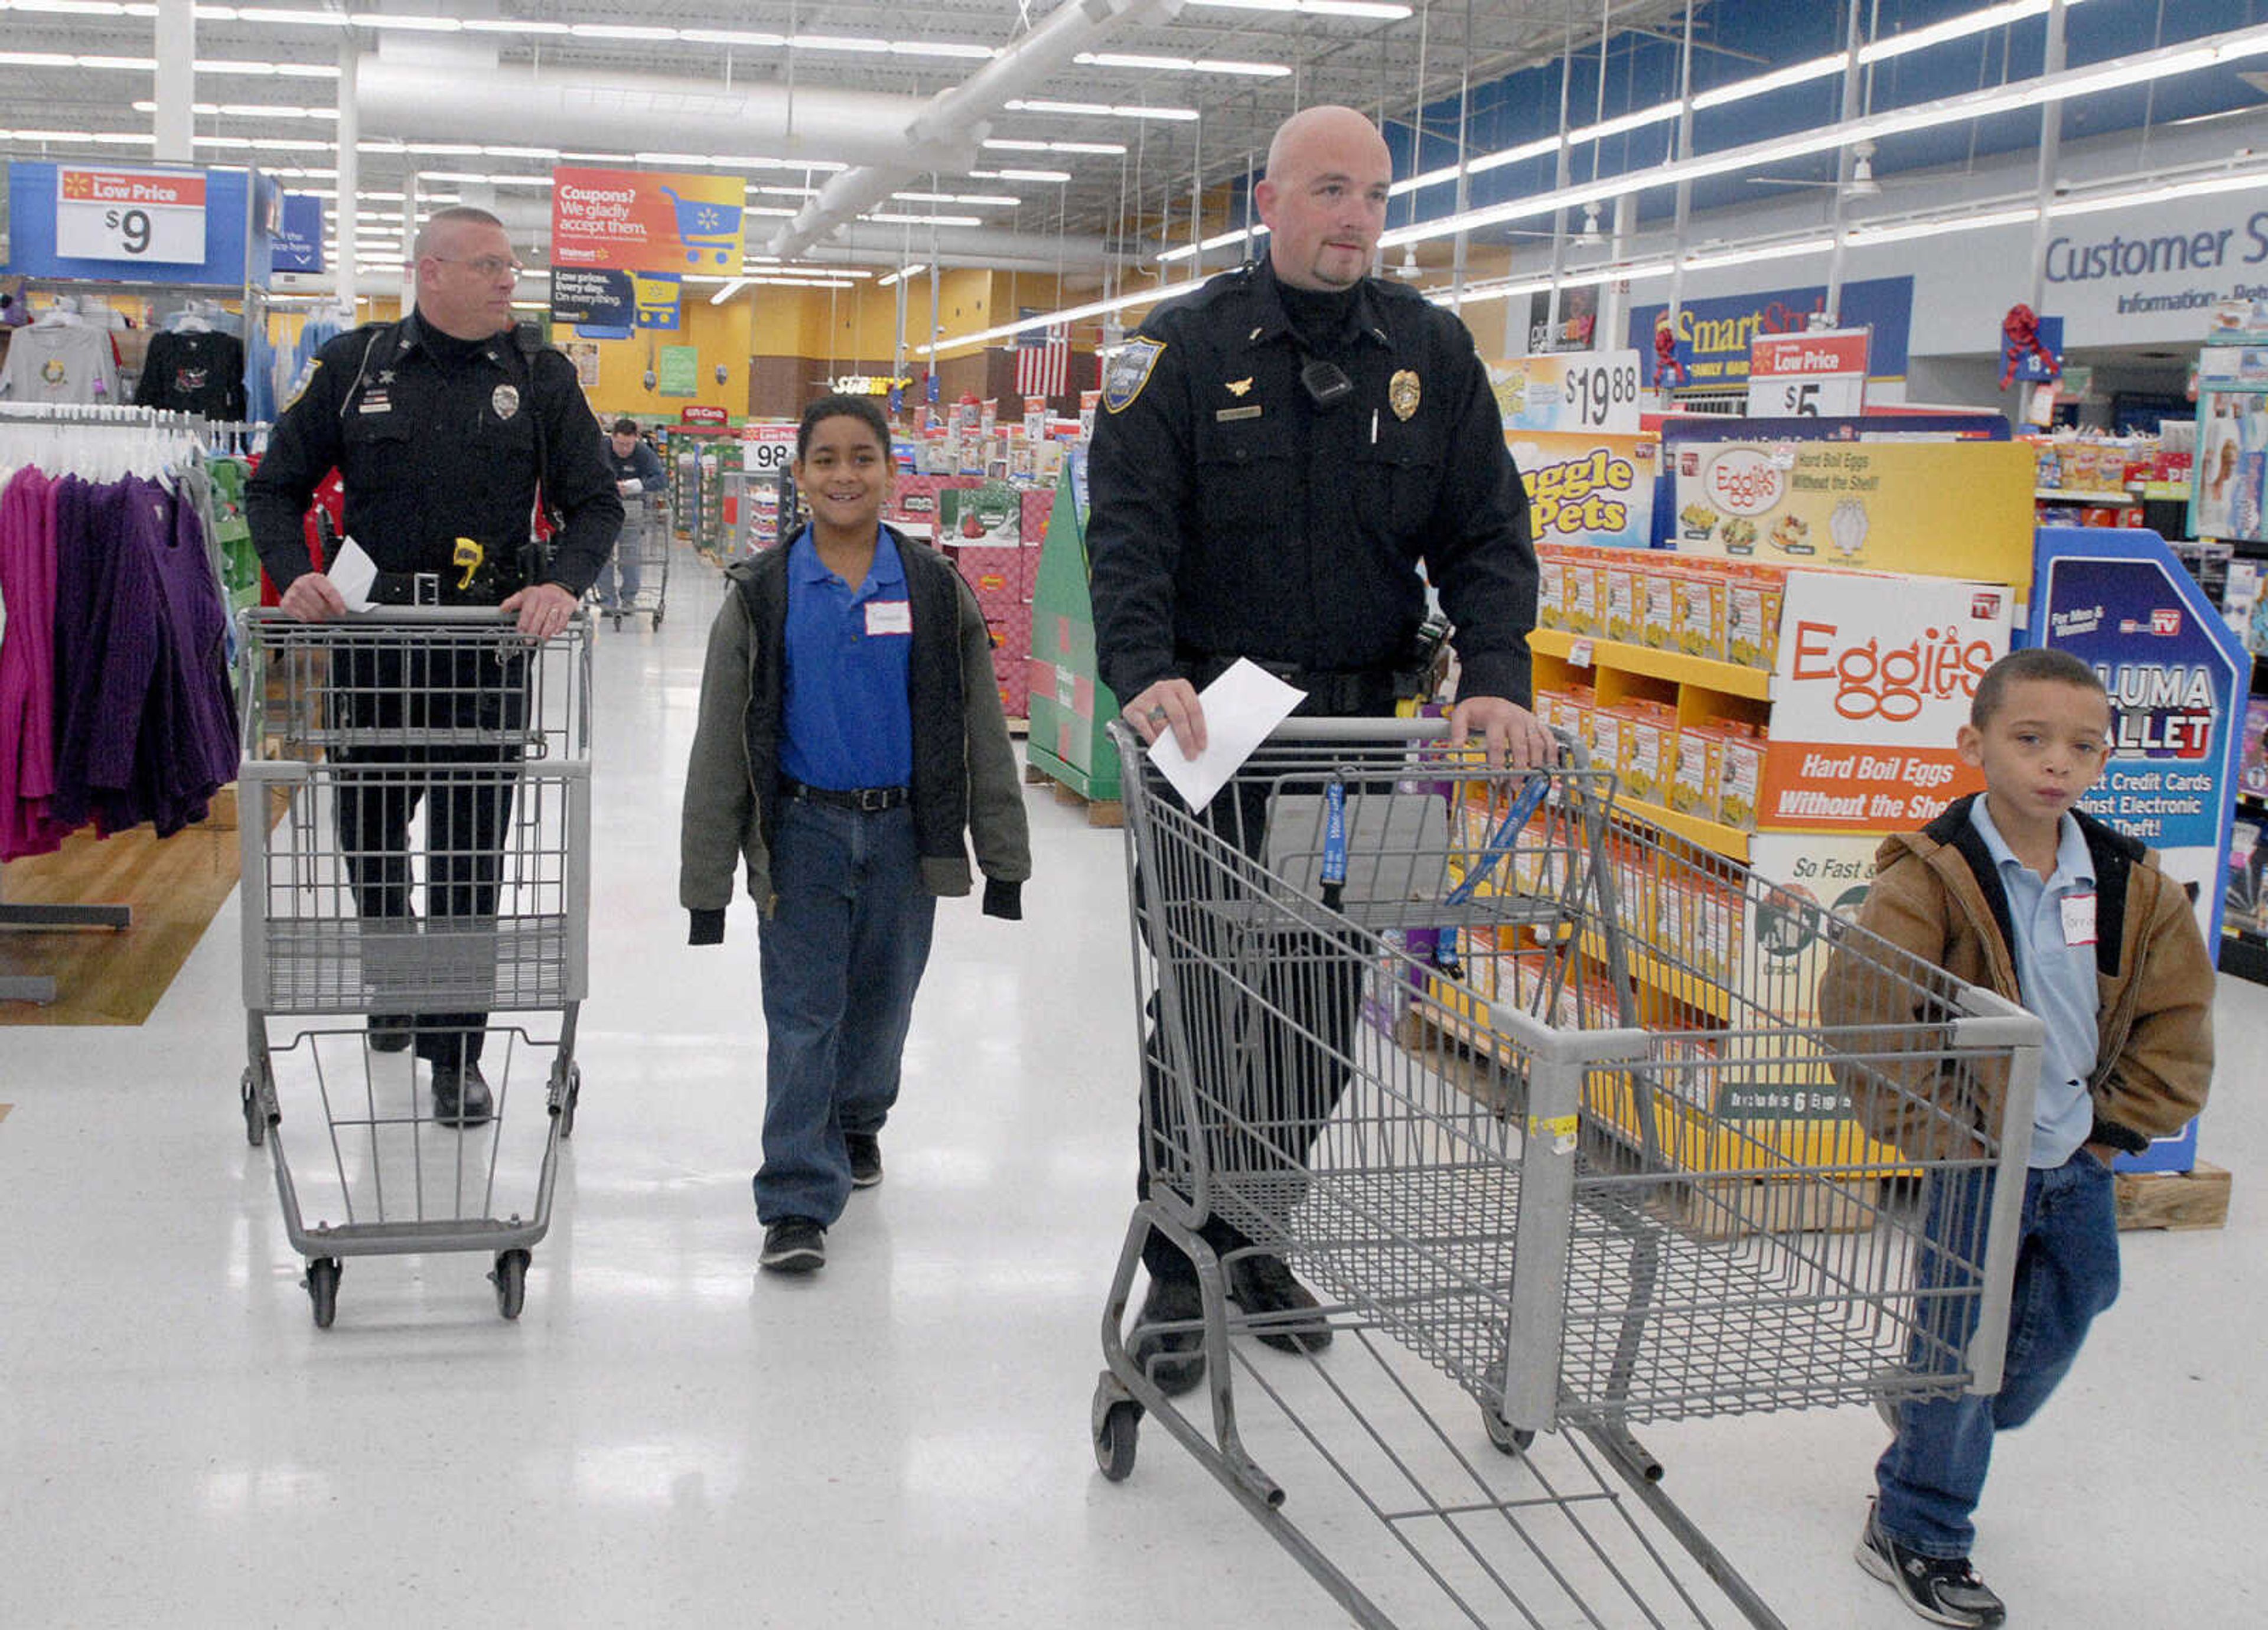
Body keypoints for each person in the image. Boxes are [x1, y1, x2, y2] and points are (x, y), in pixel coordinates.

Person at [1086, 104, 1549, 1396]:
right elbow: (1126, 530)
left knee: (1321, 1001)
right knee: (1205, 996)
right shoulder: (1176, 351)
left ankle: (1258, 1232)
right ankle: (1181, 1266)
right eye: (1332, 190)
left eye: (1377, 198)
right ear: (1269, 199)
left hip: (1357, 734)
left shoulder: (1433, 353)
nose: (1356, 218)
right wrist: (1142, 669)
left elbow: (1487, 535)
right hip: (1212, 729)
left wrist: (1498, 676)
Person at [1817, 647, 2214, 1628]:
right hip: (1974, 1160)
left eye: (2082, 747)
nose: (2056, 764)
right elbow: (1869, 1012)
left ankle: (1927, 1414)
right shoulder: (1931, 878)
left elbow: (2177, 1013)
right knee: (1964, 1348)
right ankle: (1919, 1528)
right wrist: (1940, 1135)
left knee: (2082, 1296)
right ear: (1975, 743)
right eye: (2030, 739)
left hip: (2076, 1148)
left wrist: (2115, 1138)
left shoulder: (2130, 883)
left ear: (2105, 760)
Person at [247, 205, 623, 1129]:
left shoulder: (539, 377)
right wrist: (295, 576)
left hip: (487, 646)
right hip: (375, 641)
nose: (509, 281)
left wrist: (563, 586)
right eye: (491, 265)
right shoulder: (355, 367)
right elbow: (274, 485)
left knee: (471, 853)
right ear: (432, 272)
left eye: (512, 266)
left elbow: (596, 505)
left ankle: (458, 1055)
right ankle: (392, 982)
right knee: (369, 833)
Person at [679, 393, 1031, 1276]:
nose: (844, 474)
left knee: (883, 1008)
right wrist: (706, 884)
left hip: (907, 833)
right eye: (826, 458)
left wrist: (1004, 859)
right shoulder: (762, 592)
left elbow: (981, 728)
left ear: (889, 471)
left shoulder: (932, 588)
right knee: (802, 1017)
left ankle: (857, 1119)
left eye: (862, 457)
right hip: (799, 832)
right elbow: (720, 743)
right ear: (797, 475)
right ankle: (797, 1199)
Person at [598, 416, 666, 615]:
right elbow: (586, 472)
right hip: (603, 511)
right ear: (612, 438)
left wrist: (634, 485)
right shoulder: (600, 449)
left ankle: (629, 599)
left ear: (636, 439)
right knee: (603, 556)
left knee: (631, 556)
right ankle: (607, 600)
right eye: (619, 444)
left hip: (633, 511)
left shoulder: (644, 453)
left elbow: (661, 479)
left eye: (628, 445)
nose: (624, 449)